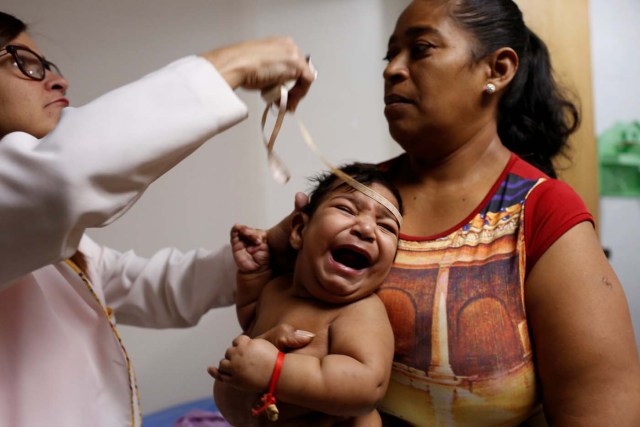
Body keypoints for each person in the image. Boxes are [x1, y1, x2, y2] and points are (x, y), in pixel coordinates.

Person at [210, 1, 640, 425]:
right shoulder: (356, 197)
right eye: (390, 53)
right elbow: (258, 318)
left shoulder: (543, 212)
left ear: (498, 70)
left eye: (420, 49)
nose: (391, 69)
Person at [0, 11, 317, 427]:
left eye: (47, 65)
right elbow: (65, 179)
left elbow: (145, 286)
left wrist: (265, 251)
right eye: (22, 62)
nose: (58, 81)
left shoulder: (36, 229)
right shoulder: (30, 204)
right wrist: (236, 62)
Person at [210, 163, 403, 426]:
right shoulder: (276, 289)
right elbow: (252, 320)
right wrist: (254, 274)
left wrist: (275, 370)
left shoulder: (360, 312)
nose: (366, 229)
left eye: (386, 227)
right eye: (346, 209)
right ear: (300, 230)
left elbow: (367, 385)